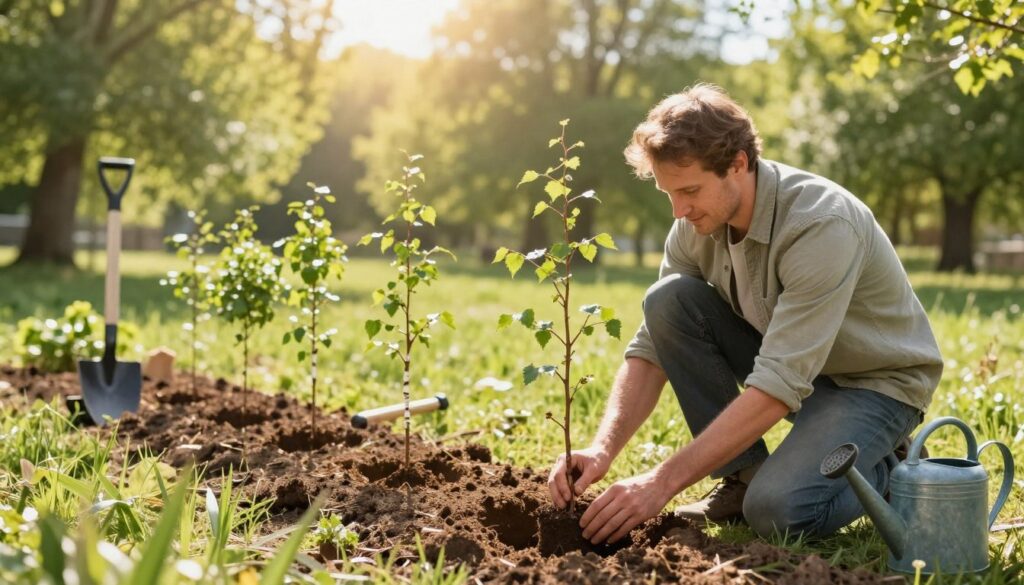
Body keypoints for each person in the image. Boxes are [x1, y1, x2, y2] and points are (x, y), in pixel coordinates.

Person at [547, 83, 943, 545]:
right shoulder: (695, 222)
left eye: (690, 190)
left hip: (875, 387)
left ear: (738, 163)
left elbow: (778, 385)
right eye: (668, 192)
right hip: (799, 373)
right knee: (668, 300)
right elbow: (654, 345)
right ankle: (742, 478)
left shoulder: (820, 224)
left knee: (777, 512)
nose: (679, 210)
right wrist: (602, 447)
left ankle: (892, 468)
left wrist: (661, 482)